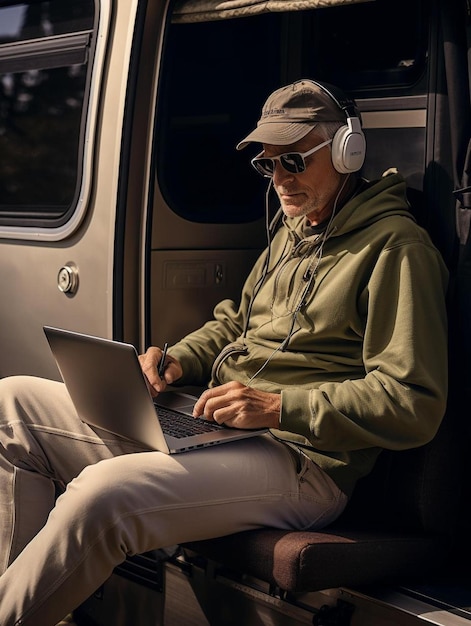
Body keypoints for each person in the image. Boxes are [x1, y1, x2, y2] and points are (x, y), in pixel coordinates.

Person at [0, 79, 448, 626]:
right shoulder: (294, 230)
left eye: (295, 162)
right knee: (12, 403)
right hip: (224, 427)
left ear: (345, 150)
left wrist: (279, 406)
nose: (280, 180)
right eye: (269, 166)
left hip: (304, 460)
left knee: (102, 494)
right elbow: (237, 321)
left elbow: (412, 402)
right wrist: (178, 359)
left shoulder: (396, 251)